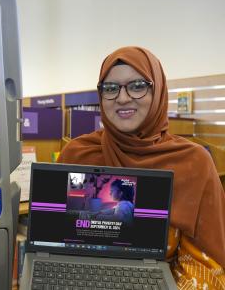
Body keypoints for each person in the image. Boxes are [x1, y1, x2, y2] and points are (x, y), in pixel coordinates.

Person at [58, 46, 225, 289]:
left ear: (157, 91)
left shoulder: (193, 162)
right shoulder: (77, 153)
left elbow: (203, 265)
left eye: (137, 86)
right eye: (111, 88)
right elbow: (56, 238)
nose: (123, 98)